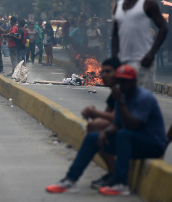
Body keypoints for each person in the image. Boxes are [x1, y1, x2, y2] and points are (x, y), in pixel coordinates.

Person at [46, 65, 168, 196]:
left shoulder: (144, 98)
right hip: (132, 141)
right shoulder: (122, 95)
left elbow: (133, 125)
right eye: (120, 81)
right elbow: (117, 124)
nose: (123, 84)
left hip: (152, 143)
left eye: (126, 81)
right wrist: (105, 132)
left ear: (133, 82)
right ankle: (70, 180)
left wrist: (120, 102)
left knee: (123, 134)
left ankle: (121, 183)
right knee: (93, 137)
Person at [112, 0, 168, 91]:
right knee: (125, 99)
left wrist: (152, 53)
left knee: (142, 100)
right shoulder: (119, 6)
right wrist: (114, 56)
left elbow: (163, 28)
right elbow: (115, 33)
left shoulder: (148, 3)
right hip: (125, 61)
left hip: (143, 62)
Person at [81, 57, 122, 189]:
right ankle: (113, 173)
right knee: (95, 126)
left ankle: (115, 174)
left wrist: (95, 113)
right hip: (123, 127)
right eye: (102, 72)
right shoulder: (115, 91)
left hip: (135, 131)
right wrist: (93, 115)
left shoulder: (123, 89)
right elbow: (108, 116)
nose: (103, 75)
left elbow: (117, 118)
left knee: (96, 129)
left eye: (107, 72)